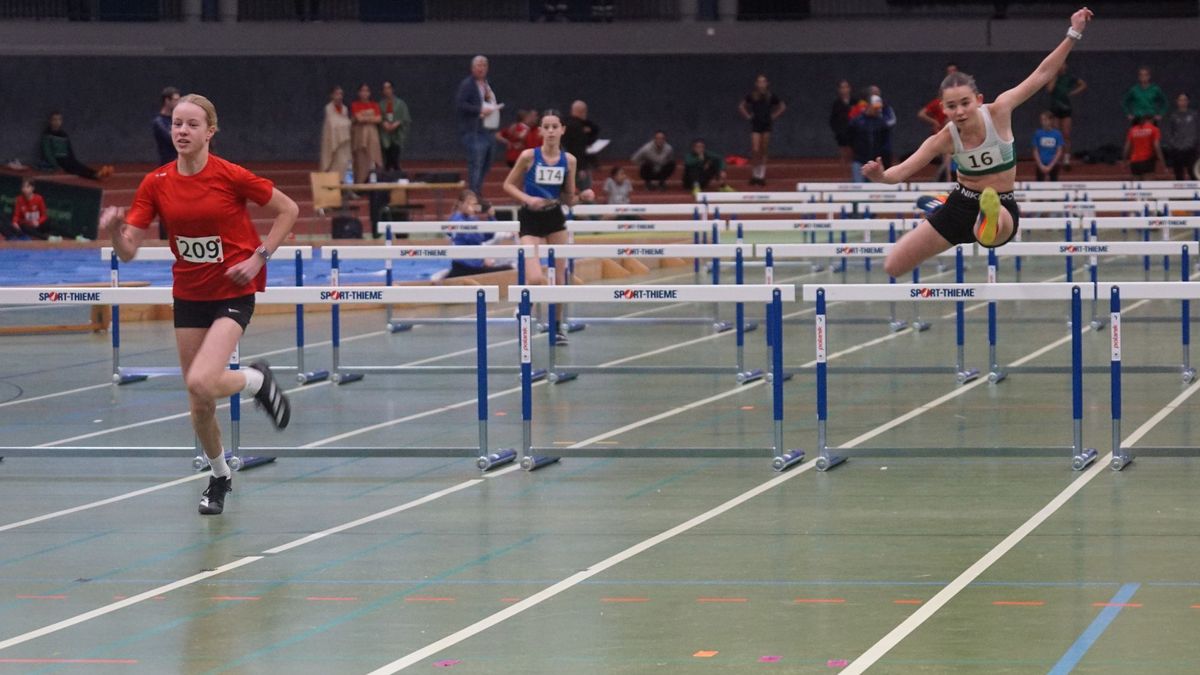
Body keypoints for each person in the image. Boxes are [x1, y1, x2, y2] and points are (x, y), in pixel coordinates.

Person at [100, 94, 299, 516]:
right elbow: (128, 250)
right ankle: (220, 475)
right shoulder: (156, 183)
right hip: (189, 295)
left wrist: (259, 257)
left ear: (210, 131)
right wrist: (115, 232)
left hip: (233, 290)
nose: (182, 131)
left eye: (192, 124)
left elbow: (289, 209)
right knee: (200, 402)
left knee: (202, 381)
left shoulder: (230, 175)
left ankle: (255, 380)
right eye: (176, 124)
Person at [862, 7, 1094, 279]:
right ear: (943, 109)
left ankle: (986, 215)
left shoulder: (1000, 111)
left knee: (988, 236)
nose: (960, 111)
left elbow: (1042, 73)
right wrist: (880, 176)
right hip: (960, 205)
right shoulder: (944, 138)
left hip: (1001, 205)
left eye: (965, 103)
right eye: (952, 106)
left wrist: (1073, 33)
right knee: (893, 266)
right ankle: (944, 207)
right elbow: (900, 172)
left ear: (979, 100)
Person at [502, 109, 594, 341]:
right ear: (540, 131)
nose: (551, 131)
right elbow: (508, 185)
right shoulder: (528, 156)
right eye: (547, 127)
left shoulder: (569, 160)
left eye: (555, 127)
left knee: (560, 279)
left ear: (563, 130)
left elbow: (568, 199)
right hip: (530, 218)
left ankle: (556, 328)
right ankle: (526, 305)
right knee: (534, 278)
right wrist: (528, 199)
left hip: (555, 218)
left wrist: (583, 196)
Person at [455, 55, 502, 196]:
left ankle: (477, 190)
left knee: (487, 162)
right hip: (474, 131)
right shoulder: (467, 85)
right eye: (478, 66)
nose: (481, 68)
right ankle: (474, 193)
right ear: (472, 68)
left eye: (484, 65)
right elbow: (460, 104)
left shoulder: (487, 84)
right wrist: (479, 110)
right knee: (476, 163)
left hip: (488, 129)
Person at [445, 189, 514, 278]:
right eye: (468, 203)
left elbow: (488, 236)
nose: (471, 207)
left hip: (475, 265)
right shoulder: (456, 218)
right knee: (507, 269)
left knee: (509, 267)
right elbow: (474, 238)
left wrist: (491, 216)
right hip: (464, 266)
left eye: (473, 204)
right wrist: (483, 259)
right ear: (461, 204)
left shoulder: (471, 218)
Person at [738, 74, 786, 186]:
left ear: (767, 83)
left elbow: (782, 106)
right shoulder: (752, 95)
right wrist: (748, 116)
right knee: (755, 150)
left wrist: (773, 116)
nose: (761, 84)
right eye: (759, 82)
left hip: (766, 124)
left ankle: (761, 175)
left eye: (763, 82)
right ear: (756, 84)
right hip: (756, 124)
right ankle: (755, 174)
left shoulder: (771, 96)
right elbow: (741, 106)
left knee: (764, 149)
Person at [39, 112, 112, 181]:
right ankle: (95, 176)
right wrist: (55, 165)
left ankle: (98, 173)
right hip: (58, 160)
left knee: (79, 165)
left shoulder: (64, 134)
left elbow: (69, 149)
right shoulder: (47, 134)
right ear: (50, 121)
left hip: (66, 158)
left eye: (59, 119)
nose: (57, 122)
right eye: (54, 120)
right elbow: (47, 152)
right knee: (74, 169)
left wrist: (73, 160)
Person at [917, 64, 958, 181]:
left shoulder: (962, 99)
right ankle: (948, 180)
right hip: (944, 134)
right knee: (947, 155)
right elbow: (921, 113)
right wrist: (935, 122)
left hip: (960, 134)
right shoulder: (938, 102)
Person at [1045, 63, 1086, 171]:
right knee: (1055, 134)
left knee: (1066, 134)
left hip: (1066, 108)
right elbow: (1049, 90)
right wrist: (1054, 76)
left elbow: (1083, 84)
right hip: (1055, 109)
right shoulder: (1052, 77)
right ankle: (1055, 159)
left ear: (1065, 66)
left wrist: (1073, 92)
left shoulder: (1069, 78)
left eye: (1062, 65)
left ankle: (1066, 159)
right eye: (1059, 65)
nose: (1061, 67)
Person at [849, 95, 893, 183]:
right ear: (868, 106)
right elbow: (849, 137)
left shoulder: (882, 123)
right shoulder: (857, 121)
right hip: (859, 160)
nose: (878, 110)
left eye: (879, 108)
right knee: (858, 186)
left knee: (874, 186)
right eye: (875, 108)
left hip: (875, 163)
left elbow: (886, 142)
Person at [562, 100, 600, 190]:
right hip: (578, 166)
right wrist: (581, 168)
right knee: (584, 191)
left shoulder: (565, 123)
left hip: (566, 163)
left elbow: (595, 128)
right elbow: (577, 149)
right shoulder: (577, 128)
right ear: (583, 111)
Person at [349, 83, 383, 184]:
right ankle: (360, 185)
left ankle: (373, 185)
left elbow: (379, 119)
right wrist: (370, 116)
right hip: (359, 138)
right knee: (361, 162)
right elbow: (358, 119)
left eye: (367, 91)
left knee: (373, 161)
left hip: (372, 138)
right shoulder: (355, 105)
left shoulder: (375, 105)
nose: (365, 93)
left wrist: (364, 116)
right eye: (362, 91)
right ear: (359, 93)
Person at [1163, 93, 1198, 180]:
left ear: (1188, 101)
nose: (1182, 102)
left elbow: (1197, 130)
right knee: (1178, 174)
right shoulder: (1173, 116)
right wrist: (1174, 145)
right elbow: (1168, 132)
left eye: (1184, 100)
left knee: (1193, 173)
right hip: (1177, 150)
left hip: (1191, 149)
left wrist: (1194, 143)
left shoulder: (1194, 115)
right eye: (1180, 100)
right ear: (1177, 102)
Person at [378, 80, 411, 172]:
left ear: (392, 89)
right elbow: (378, 117)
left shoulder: (400, 104)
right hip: (385, 135)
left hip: (397, 135)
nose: (387, 90)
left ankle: (397, 176)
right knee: (387, 160)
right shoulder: (380, 105)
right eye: (385, 88)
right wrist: (383, 123)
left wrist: (398, 123)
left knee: (395, 158)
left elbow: (406, 118)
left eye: (389, 88)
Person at [319, 85, 352, 173]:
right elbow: (333, 123)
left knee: (345, 163)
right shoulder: (328, 108)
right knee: (334, 165)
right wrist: (346, 124)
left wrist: (346, 124)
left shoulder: (345, 109)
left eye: (341, 94)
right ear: (332, 95)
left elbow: (346, 123)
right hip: (333, 140)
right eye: (337, 94)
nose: (339, 96)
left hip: (344, 141)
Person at [1124, 115, 1165, 179]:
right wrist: (1162, 162)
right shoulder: (1154, 129)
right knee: (1148, 184)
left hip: (1135, 162)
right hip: (1148, 161)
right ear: (1151, 120)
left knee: (1137, 184)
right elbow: (1156, 146)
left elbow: (1127, 148)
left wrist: (1124, 161)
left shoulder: (1132, 130)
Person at [1032, 111, 1065, 182]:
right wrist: (1040, 164)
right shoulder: (1038, 133)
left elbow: (1059, 151)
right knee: (1039, 183)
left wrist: (1051, 165)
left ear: (1051, 120)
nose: (1043, 122)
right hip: (1041, 163)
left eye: (1045, 119)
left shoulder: (1057, 134)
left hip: (1053, 163)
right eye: (1042, 120)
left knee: (1054, 183)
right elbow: (1035, 150)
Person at [153, 86, 180, 166]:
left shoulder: (177, 119)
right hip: (167, 163)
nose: (178, 103)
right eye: (175, 100)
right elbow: (172, 139)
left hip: (180, 162)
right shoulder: (159, 122)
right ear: (167, 100)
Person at [829, 80, 854, 166]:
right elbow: (833, 119)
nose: (844, 89)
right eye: (842, 87)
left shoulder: (855, 101)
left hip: (854, 133)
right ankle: (844, 168)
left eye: (846, 87)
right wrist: (837, 130)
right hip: (842, 133)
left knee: (853, 153)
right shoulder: (836, 103)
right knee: (844, 152)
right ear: (839, 90)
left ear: (849, 89)